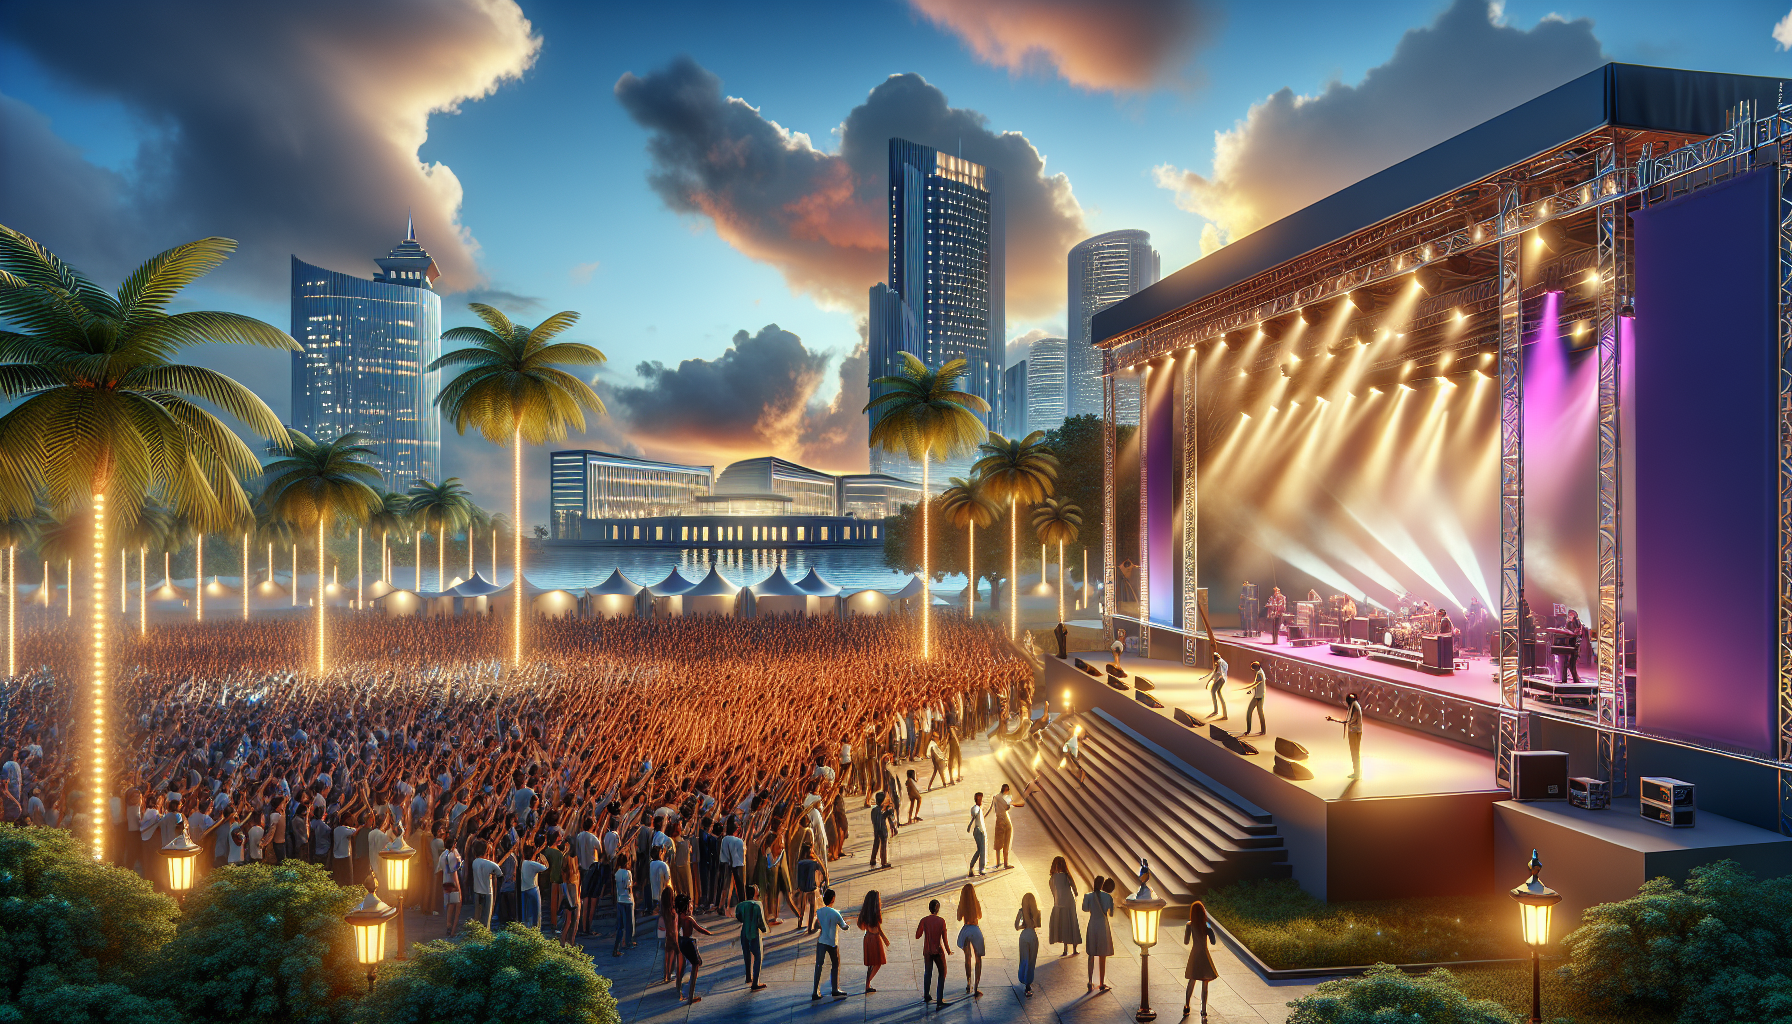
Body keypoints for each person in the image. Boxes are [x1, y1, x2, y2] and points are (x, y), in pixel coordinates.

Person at [673, 893, 713, 1003]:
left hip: (681, 941)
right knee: (696, 965)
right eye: (690, 906)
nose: (692, 908)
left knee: (687, 965)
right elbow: (699, 929)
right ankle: (691, 996)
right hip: (689, 942)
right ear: (686, 907)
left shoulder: (678, 918)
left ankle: (680, 988)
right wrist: (710, 933)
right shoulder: (689, 919)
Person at [1183, 899, 1219, 1018]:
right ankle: (1203, 1010)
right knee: (1205, 982)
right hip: (1204, 954)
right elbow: (1213, 942)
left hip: (1195, 954)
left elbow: (1186, 941)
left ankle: (1187, 1005)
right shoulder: (1206, 925)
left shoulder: (1189, 925)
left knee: (1192, 980)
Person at [810, 887, 847, 999]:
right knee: (835, 964)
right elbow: (843, 926)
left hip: (821, 941)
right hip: (832, 942)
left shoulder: (819, 912)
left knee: (818, 965)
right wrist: (847, 925)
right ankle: (835, 989)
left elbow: (816, 926)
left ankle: (815, 991)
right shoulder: (836, 913)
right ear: (833, 899)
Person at [1084, 875, 1116, 992]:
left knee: (1091, 954)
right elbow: (1111, 913)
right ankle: (1102, 983)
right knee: (1102, 955)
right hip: (1103, 926)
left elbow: (1084, 908)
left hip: (1092, 924)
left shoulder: (1088, 896)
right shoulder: (1108, 897)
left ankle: (1090, 981)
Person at [916, 897, 950, 1007]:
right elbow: (944, 939)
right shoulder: (941, 921)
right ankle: (939, 999)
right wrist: (948, 950)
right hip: (938, 951)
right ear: (938, 909)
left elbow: (917, 935)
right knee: (942, 973)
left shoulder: (924, 920)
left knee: (928, 972)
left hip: (927, 951)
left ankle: (926, 995)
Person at [735, 883, 768, 990]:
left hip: (744, 932)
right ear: (755, 893)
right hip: (754, 933)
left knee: (747, 955)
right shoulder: (757, 904)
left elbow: (739, 917)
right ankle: (755, 983)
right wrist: (764, 929)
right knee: (758, 956)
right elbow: (760, 921)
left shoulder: (740, 905)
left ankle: (748, 977)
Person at [955, 882, 985, 998]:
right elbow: (980, 915)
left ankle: (968, 983)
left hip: (966, 929)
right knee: (978, 959)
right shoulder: (975, 902)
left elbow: (958, 918)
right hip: (975, 930)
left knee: (967, 958)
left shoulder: (963, 903)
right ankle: (976, 987)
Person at [1326, 693, 1366, 780]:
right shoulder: (1355, 705)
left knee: (1354, 752)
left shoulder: (1354, 707)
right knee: (1355, 752)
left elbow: (1347, 721)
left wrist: (1332, 719)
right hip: (1356, 731)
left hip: (1354, 732)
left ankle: (1357, 773)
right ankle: (1357, 771)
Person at [1047, 856, 1081, 955]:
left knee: (1063, 925)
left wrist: (1056, 901)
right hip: (1069, 903)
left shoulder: (1052, 878)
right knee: (1072, 923)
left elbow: (1053, 891)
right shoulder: (1067, 876)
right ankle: (1074, 949)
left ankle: (1065, 949)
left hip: (1059, 903)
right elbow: (1075, 890)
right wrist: (1075, 893)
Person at [858, 890, 890, 993]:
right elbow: (878, 928)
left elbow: (861, 925)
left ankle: (868, 984)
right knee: (878, 963)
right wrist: (885, 939)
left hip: (867, 937)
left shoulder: (865, 912)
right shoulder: (875, 913)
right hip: (875, 939)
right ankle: (868, 983)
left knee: (871, 964)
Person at [991, 781, 1026, 869]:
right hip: (1006, 821)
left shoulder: (995, 797)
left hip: (998, 820)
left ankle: (998, 862)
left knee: (998, 842)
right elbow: (1011, 806)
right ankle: (1006, 863)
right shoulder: (1007, 798)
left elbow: (995, 809)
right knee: (1006, 842)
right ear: (1006, 790)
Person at [1015, 891, 1042, 996]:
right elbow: (1038, 925)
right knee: (1031, 960)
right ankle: (1028, 985)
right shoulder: (1037, 912)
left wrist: (1024, 926)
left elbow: (1016, 926)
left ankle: (1022, 977)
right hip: (1032, 936)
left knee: (1024, 958)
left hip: (1024, 935)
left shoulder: (1021, 911)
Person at [611, 852, 635, 957]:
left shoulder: (616, 873)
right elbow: (629, 887)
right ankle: (628, 942)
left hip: (620, 900)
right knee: (629, 923)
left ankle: (617, 946)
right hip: (627, 900)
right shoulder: (627, 873)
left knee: (620, 925)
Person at [869, 790, 896, 869]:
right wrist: (887, 813)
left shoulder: (874, 810)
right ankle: (884, 862)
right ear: (883, 802)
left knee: (876, 843)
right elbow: (881, 819)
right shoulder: (878, 811)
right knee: (883, 845)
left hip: (877, 829)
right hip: (881, 830)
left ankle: (873, 859)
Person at [966, 791, 988, 877]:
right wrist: (974, 814)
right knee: (982, 851)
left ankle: (971, 867)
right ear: (977, 799)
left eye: (981, 798)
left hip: (979, 831)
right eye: (979, 798)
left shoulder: (979, 808)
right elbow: (974, 812)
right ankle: (981, 869)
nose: (981, 800)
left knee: (979, 850)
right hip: (979, 832)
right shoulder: (976, 808)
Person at [1244, 662, 1268, 736]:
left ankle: (1248, 730)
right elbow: (1257, 684)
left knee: (1249, 712)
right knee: (1260, 713)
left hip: (1258, 697)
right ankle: (1263, 730)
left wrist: (1248, 687)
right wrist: (1251, 690)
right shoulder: (1260, 672)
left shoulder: (1259, 674)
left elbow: (1256, 683)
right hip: (1260, 695)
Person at [1206, 653, 1229, 720]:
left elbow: (1218, 673)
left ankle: (1217, 711)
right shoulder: (1224, 662)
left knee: (1213, 692)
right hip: (1223, 679)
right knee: (1218, 693)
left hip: (1220, 679)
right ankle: (1223, 713)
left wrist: (1213, 680)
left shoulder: (1218, 663)